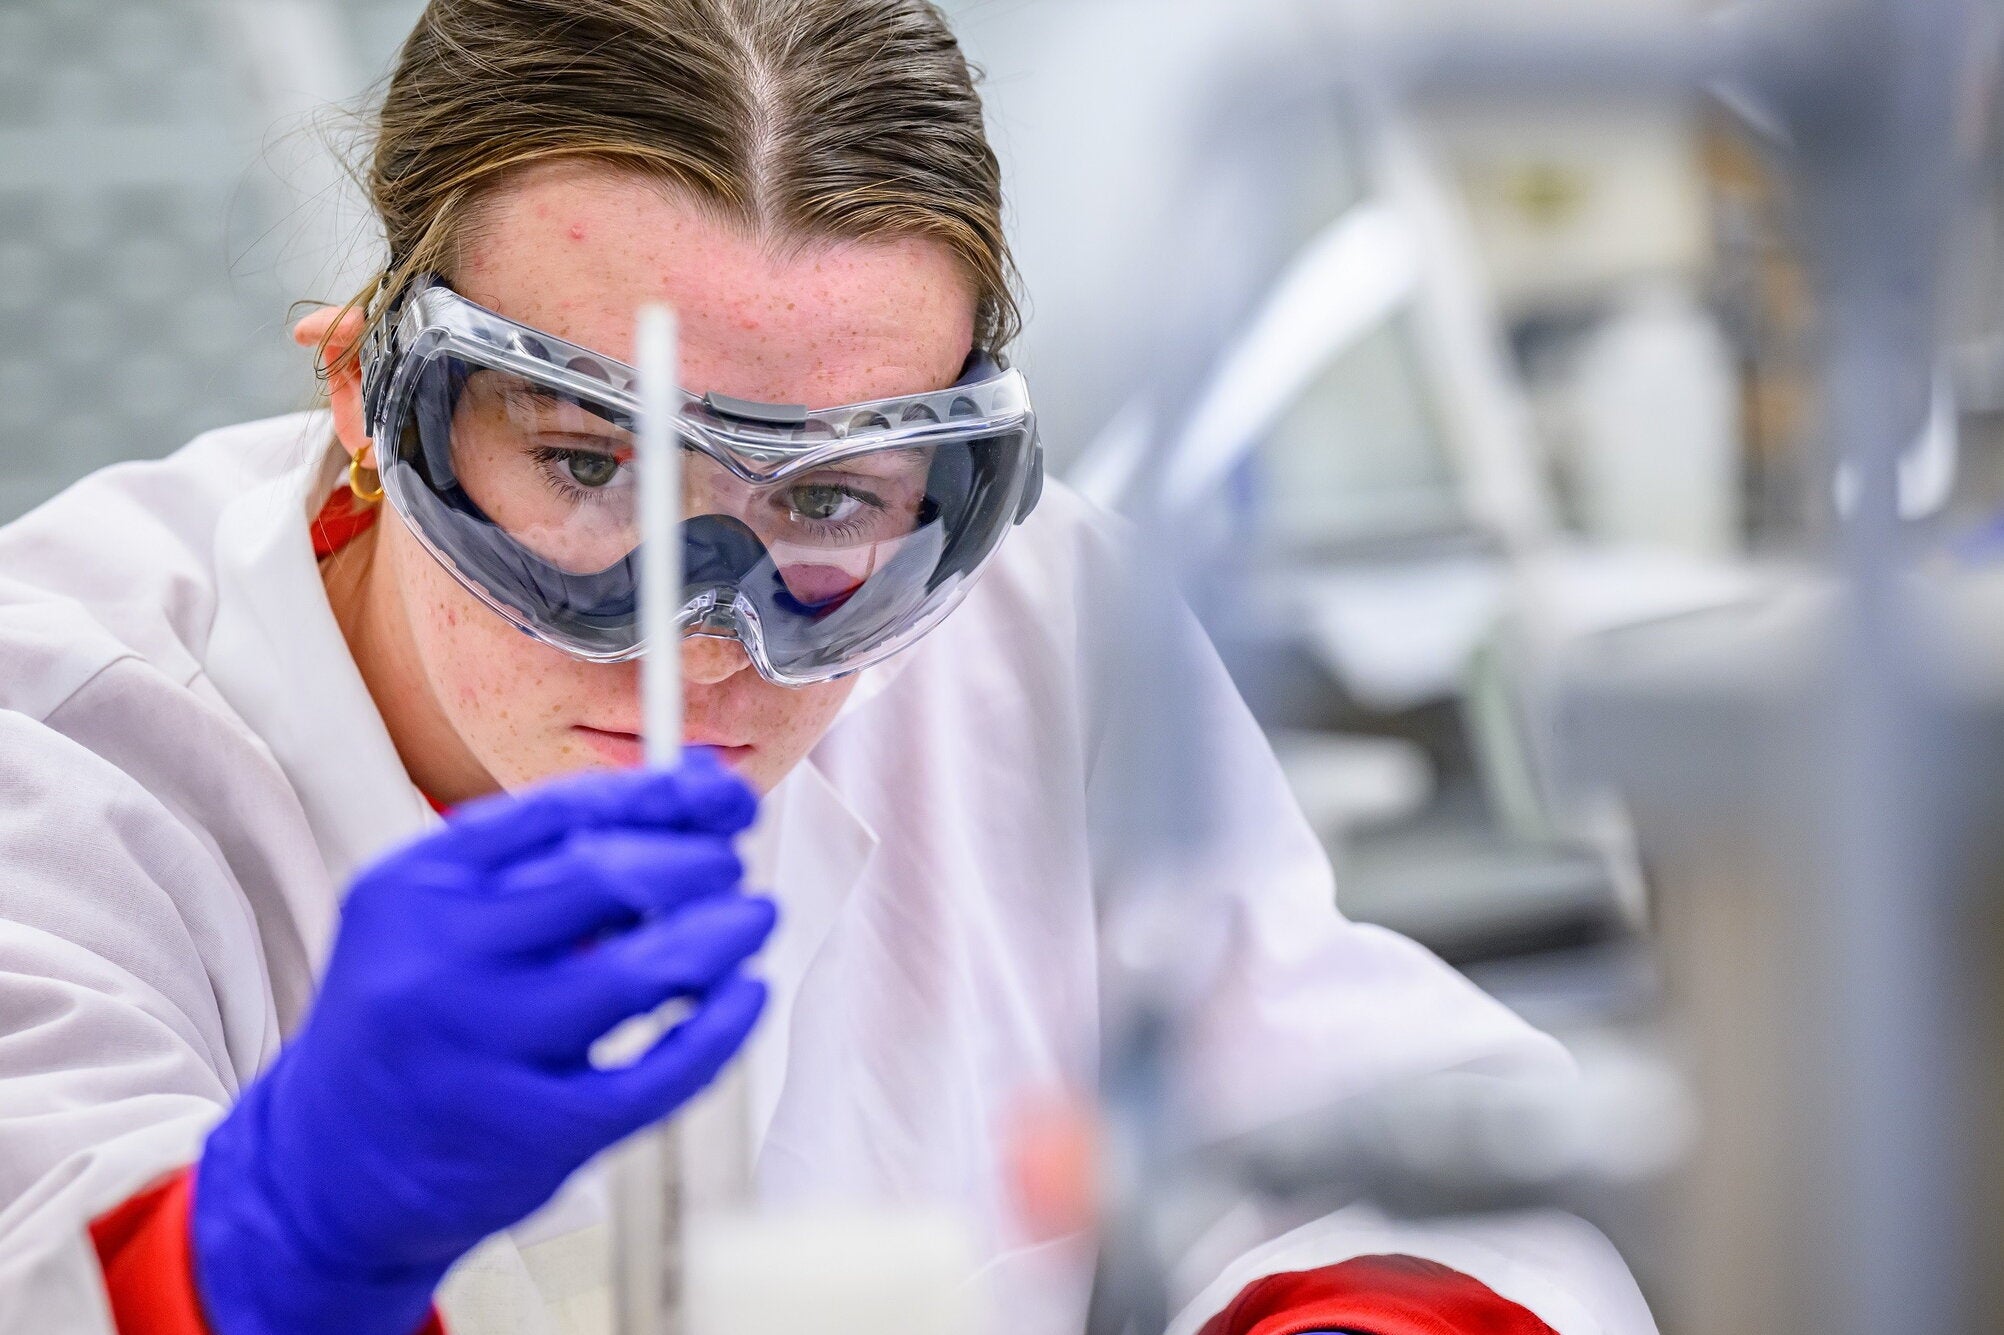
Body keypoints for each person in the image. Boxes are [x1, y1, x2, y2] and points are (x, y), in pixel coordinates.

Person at [0, 3, 1655, 1333]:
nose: (709, 633)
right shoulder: (61, 734)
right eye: (588, 468)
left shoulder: (1031, 623)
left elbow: (1390, 1147)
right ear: (369, 395)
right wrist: (266, 1249)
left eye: (827, 500)